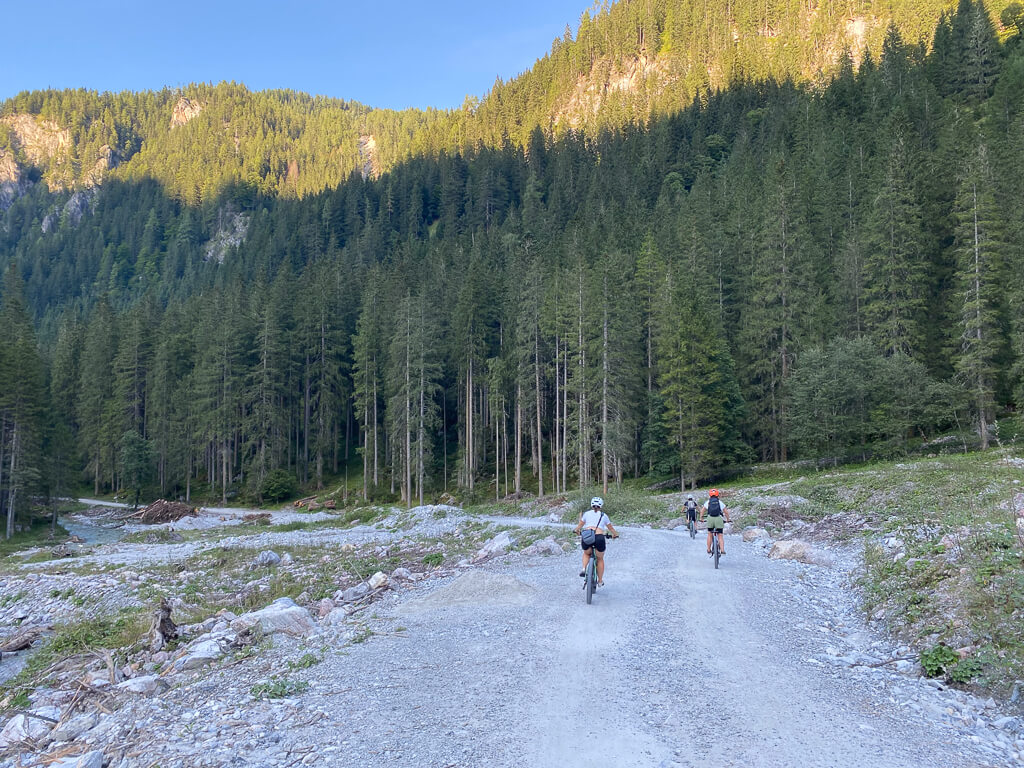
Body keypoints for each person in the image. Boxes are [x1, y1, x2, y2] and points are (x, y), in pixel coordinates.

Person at [573, 496, 619, 587]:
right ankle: (600, 581)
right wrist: (615, 534)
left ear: (591, 505)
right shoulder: (604, 515)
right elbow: (611, 528)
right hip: (599, 537)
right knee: (600, 559)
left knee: (586, 553)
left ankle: (583, 569)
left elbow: (579, 526)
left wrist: (577, 531)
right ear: (601, 506)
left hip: (587, 536)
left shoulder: (586, 514)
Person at [700, 488, 731, 556]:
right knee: (720, 536)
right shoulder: (720, 502)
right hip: (718, 519)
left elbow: (702, 511)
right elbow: (726, 512)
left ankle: (708, 549)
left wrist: (701, 518)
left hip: (710, 519)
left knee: (710, 534)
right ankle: (722, 551)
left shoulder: (708, 502)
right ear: (717, 495)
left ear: (710, 495)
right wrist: (728, 519)